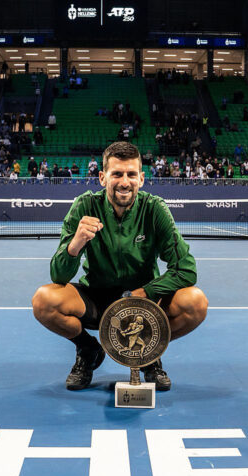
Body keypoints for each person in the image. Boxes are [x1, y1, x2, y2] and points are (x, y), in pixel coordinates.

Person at [31, 141, 208, 391]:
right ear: (103, 177)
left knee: (196, 303)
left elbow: (187, 270)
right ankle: (88, 349)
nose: (124, 182)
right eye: (117, 174)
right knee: (44, 300)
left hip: (144, 302)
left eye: (131, 174)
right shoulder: (84, 206)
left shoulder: (155, 209)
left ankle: (149, 354)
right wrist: (76, 243)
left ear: (142, 179)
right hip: (96, 298)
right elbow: (58, 274)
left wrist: (145, 293)